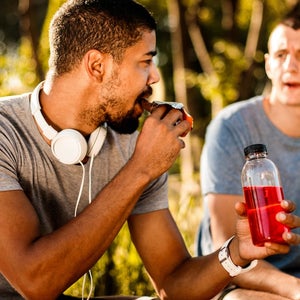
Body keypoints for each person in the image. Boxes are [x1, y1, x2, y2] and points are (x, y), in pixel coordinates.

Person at [0, 0, 299, 299]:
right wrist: (141, 169)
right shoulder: (5, 132)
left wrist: (236, 253)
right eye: (145, 61)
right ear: (96, 66)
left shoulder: (132, 145)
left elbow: (174, 283)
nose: (155, 76)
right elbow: (34, 282)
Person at [197, 5, 300, 300]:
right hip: (242, 283)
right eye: (281, 55)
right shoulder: (231, 127)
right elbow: (227, 250)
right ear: (268, 65)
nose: (291, 66)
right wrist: (296, 289)